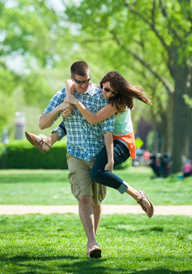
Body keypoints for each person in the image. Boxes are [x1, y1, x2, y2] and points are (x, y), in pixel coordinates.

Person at [33, 61, 115, 258]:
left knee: (96, 200)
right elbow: (42, 122)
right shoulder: (63, 95)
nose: (84, 85)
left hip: (97, 155)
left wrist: (110, 159)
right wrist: (61, 106)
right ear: (72, 79)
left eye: (87, 81)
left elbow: (107, 130)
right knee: (84, 197)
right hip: (76, 154)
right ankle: (92, 242)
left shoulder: (100, 95)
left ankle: (91, 241)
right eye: (80, 82)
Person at [61, 71, 155, 217]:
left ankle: (137, 195)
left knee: (96, 173)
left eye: (112, 91)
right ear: (102, 84)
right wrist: (69, 99)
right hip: (109, 141)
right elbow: (69, 83)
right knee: (97, 174)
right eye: (105, 89)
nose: (107, 94)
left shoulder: (118, 102)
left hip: (123, 143)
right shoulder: (101, 90)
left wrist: (77, 102)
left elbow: (94, 119)